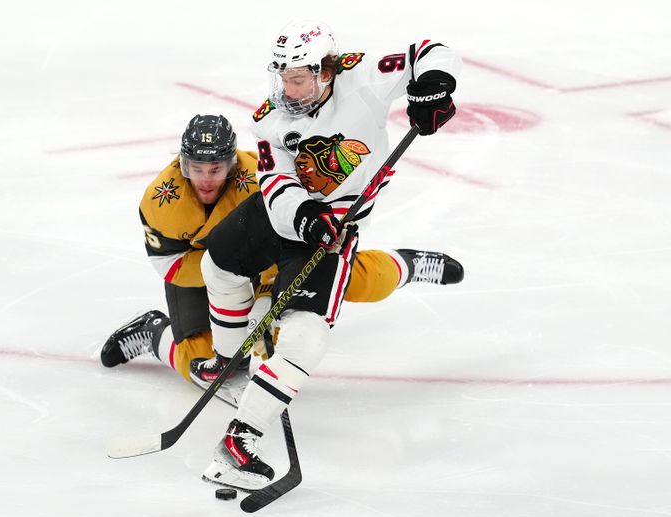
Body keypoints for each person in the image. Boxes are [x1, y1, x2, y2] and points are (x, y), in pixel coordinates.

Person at [198, 20, 463, 489]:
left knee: (305, 338)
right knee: (217, 263)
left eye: (298, 77)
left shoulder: (361, 79)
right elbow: (276, 182)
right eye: (282, 77)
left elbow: (427, 49)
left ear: (325, 71)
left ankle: (239, 442)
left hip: (338, 227)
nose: (288, 88)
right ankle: (229, 360)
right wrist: (303, 217)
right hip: (288, 214)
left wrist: (435, 89)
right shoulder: (270, 117)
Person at [99, 114, 462, 406]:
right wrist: (237, 285)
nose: (206, 179)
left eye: (216, 169)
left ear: (232, 163)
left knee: (357, 280)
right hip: (197, 273)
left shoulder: (258, 177)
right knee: (200, 364)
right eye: (196, 168)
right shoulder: (161, 201)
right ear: (182, 164)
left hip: (268, 258)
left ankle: (409, 264)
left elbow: (289, 235)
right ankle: (153, 333)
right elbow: (170, 264)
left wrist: (266, 292)